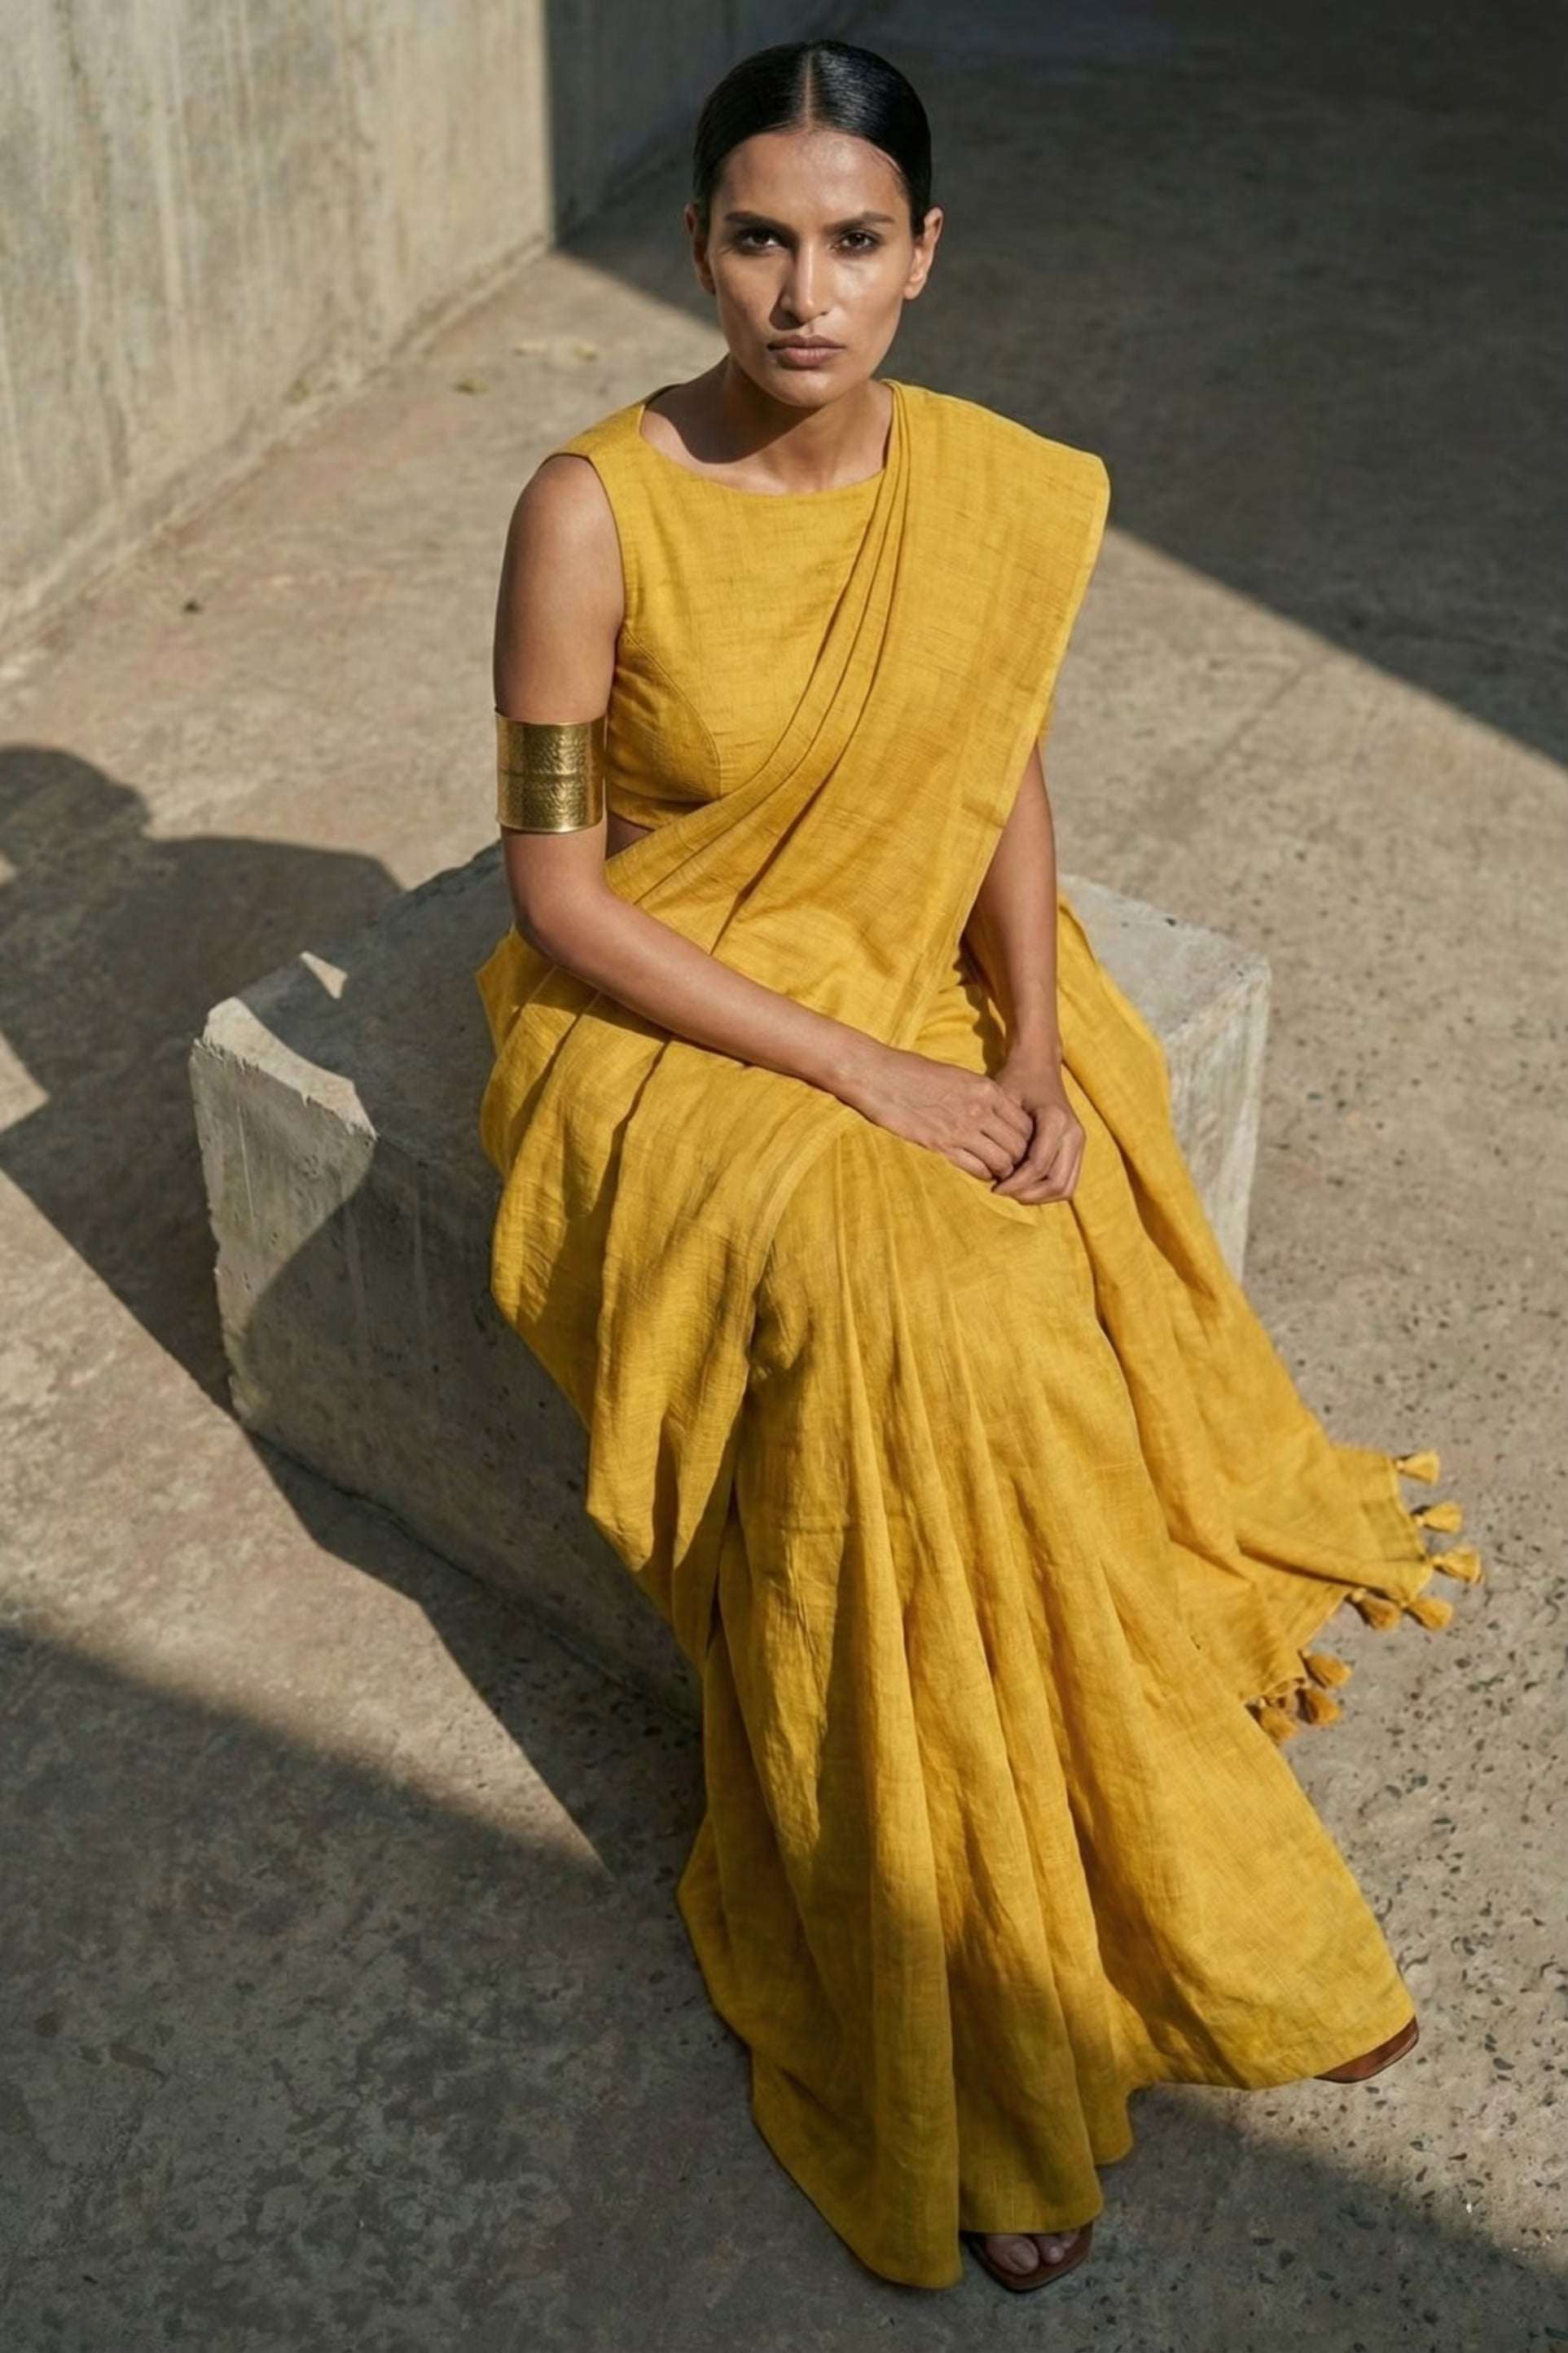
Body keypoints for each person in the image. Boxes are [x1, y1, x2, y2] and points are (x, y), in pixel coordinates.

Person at [472, 37, 1482, 2298]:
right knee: (897, 1343)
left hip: (920, 982)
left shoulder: (997, 491)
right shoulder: (590, 507)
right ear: (703, 247)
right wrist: (874, 1078)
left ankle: (1148, 1876)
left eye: (851, 243)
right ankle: (972, 2013)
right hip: (667, 1022)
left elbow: (996, 781)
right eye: (758, 238)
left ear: (926, 258)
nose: (801, 294)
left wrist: (1027, 1039)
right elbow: (557, 898)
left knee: (1040, 1285)